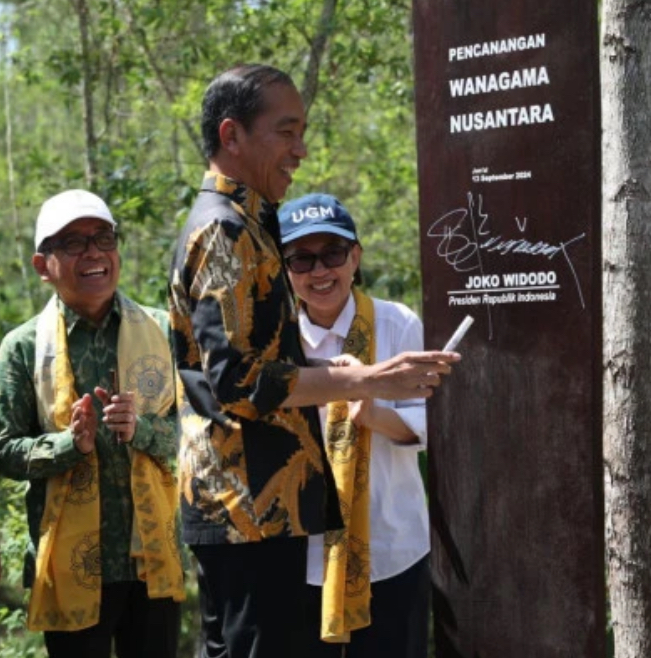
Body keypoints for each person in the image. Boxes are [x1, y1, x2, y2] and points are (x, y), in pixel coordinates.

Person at [168, 64, 460, 658]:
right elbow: (238, 381)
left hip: (273, 515)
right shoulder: (224, 232)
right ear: (233, 136)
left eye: (333, 254)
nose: (300, 150)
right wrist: (370, 378)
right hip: (245, 509)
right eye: (285, 132)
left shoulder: (253, 224)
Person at [0, 189, 183, 658]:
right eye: (73, 244)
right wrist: (67, 445)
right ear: (42, 265)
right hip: (70, 566)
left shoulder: (164, 331)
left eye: (103, 238)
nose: (93, 253)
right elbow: (2, 449)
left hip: (151, 560)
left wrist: (144, 430)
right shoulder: (23, 347)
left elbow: (199, 436)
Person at [279, 193, 433, 656]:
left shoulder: (396, 324)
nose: (319, 272)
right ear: (284, 269)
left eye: (333, 254)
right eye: (301, 259)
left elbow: (434, 423)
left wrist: (375, 414)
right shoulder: (277, 342)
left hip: (393, 545)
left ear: (356, 257)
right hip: (304, 554)